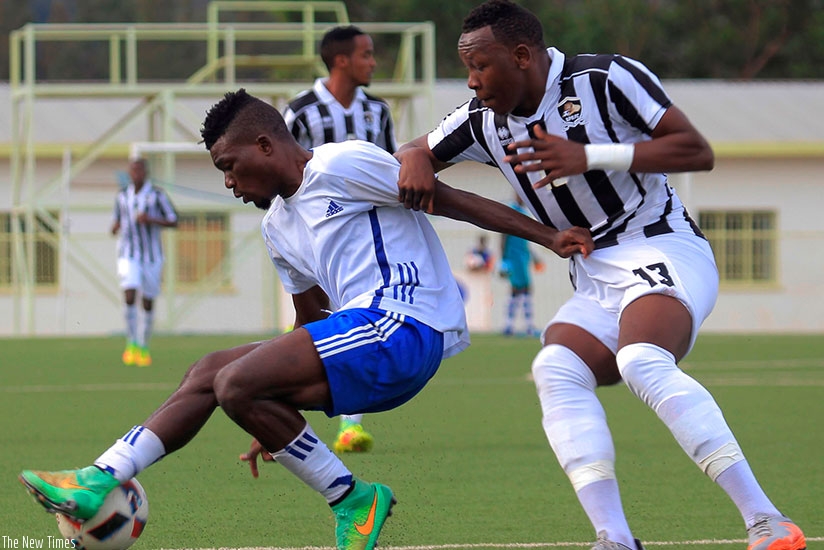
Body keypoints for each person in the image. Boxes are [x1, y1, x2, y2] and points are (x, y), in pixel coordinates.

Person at [20, 89, 593, 550]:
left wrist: (548, 235)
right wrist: (266, 411)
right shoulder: (276, 227)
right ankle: (102, 476)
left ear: (265, 146)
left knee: (234, 379)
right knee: (211, 372)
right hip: (364, 337)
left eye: (229, 166)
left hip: (407, 326)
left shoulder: (345, 163)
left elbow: (448, 199)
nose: (227, 182)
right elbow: (308, 319)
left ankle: (352, 499)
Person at [393, 2, 807, 550]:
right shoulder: (480, 119)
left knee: (640, 360)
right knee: (556, 368)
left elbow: (695, 150)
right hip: (593, 273)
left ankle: (768, 521)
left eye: (480, 66)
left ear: (521, 57)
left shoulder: (607, 78)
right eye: (467, 68)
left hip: (661, 245)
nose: (472, 81)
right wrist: (412, 156)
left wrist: (588, 155)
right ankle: (614, 537)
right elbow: (415, 149)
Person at [284, 25, 398, 452]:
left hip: (368, 238)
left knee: (352, 314)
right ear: (341, 61)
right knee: (315, 318)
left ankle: (350, 424)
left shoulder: (378, 112)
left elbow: (391, 167)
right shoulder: (301, 112)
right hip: (315, 237)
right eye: (367, 54)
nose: (373, 61)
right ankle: (282, 403)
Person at [111, 157, 178, 367]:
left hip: (152, 256)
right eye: (133, 170)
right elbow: (117, 219)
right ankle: (131, 343)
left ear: (145, 173)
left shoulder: (156, 195)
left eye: (140, 170)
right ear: (129, 173)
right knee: (129, 293)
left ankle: (143, 344)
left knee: (147, 301)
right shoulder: (122, 196)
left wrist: (151, 219)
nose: (136, 174)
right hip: (128, 254)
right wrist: (114, 227)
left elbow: (174, 220)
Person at [499, 195, 543, 337]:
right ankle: (522, 326)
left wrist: (533, 256)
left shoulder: (523, 212)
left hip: (523, 256)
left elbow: (525, 239)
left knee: (520, 289)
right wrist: (503, 258)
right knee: (522, 289)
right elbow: (503, 234)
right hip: (514, 256)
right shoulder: (512, 210)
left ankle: (511, 325)